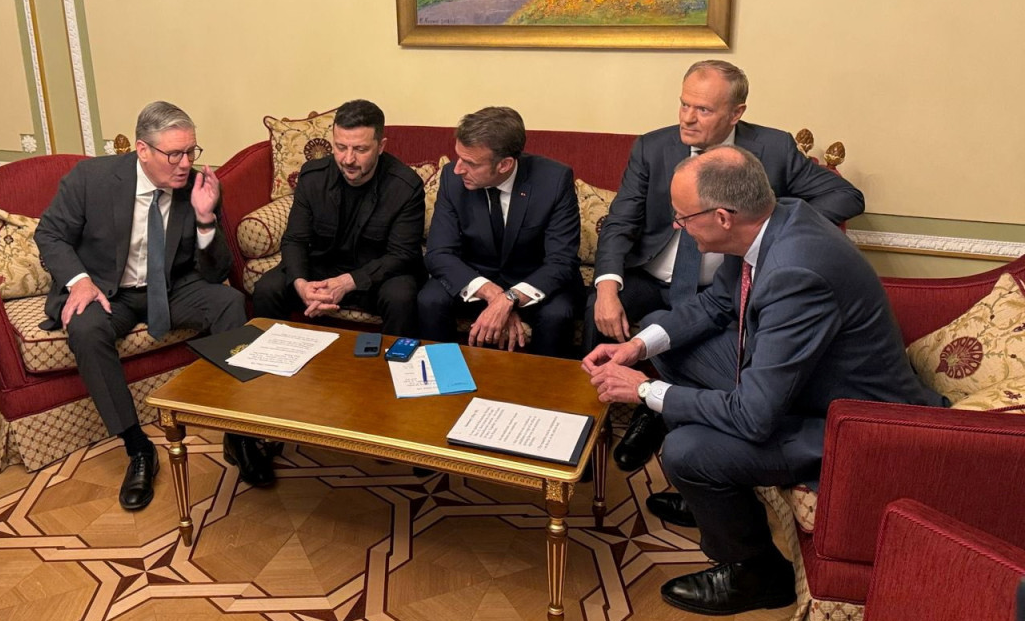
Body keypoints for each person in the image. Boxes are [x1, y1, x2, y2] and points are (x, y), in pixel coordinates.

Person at [583, 147, 943, 616]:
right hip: (795, 386)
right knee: (663, 333)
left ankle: (756, 573)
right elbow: (715, 307)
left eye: (682, 218)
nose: (678, 227)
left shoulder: (798, 272)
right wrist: (637, 349)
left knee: (688, 451)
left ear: (723, 216)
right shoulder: (775, 219)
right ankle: (710, 497)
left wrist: (644, 392)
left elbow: (754, 416)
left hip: (856, 424)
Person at [588, 60, 865, 471]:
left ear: (736, 113)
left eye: (702, 110)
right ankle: (592, 430)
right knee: (629, 319)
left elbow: (847, 197)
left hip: (729, 286)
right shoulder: (653, 146)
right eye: (683, 105)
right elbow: (621, 221)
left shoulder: (774, 151)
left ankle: (663, 412)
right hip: (660, 277)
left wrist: (779, 231)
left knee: (682, 339)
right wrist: (608, 292)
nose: (687, 118)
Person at [35, 101, 247, 510]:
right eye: (174, 154)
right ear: (142, 150)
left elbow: (218, 268)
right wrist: (78, 283)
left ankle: (239, 434)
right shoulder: (91, 180)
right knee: (85, 328)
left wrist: (206, 220)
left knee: (231, 304)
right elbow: (50, 235)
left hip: (171, 286)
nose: (185, 164)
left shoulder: (198, 188)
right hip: (107, 291)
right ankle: (137, 448)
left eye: (191, 152)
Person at [418, 106, 582, 357]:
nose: (459, 168)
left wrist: (511, 299)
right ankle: (441, 381)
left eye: (471, 163)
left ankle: (542, 392)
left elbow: (561, 261)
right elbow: (439, 253)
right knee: (430, 299)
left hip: (533, 281)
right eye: (459, 157)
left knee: (558, 314)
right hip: (476, 278)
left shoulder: (554, 180)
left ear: (505, 164)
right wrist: (495, 295)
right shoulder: (452, 178)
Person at [253, 98, 425, 336]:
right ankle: (276, 364)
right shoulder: (313, 177)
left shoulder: (405, 186)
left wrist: (347, 282)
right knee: (268, 288)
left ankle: (390, 369)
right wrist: (301, 283)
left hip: (375, 275)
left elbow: (402, 255)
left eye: (360, 149)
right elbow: (295, 239)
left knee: (401, 296)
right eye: (341, 147)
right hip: (323, 267)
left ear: (381, 146)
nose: (348, 159)